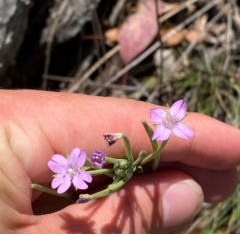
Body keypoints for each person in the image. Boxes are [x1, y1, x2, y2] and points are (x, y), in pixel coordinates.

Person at [1, 89, 239, 234]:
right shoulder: (156, 130)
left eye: (172, 119)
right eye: (166, 119)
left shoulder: (165, 129)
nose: (167, 120)